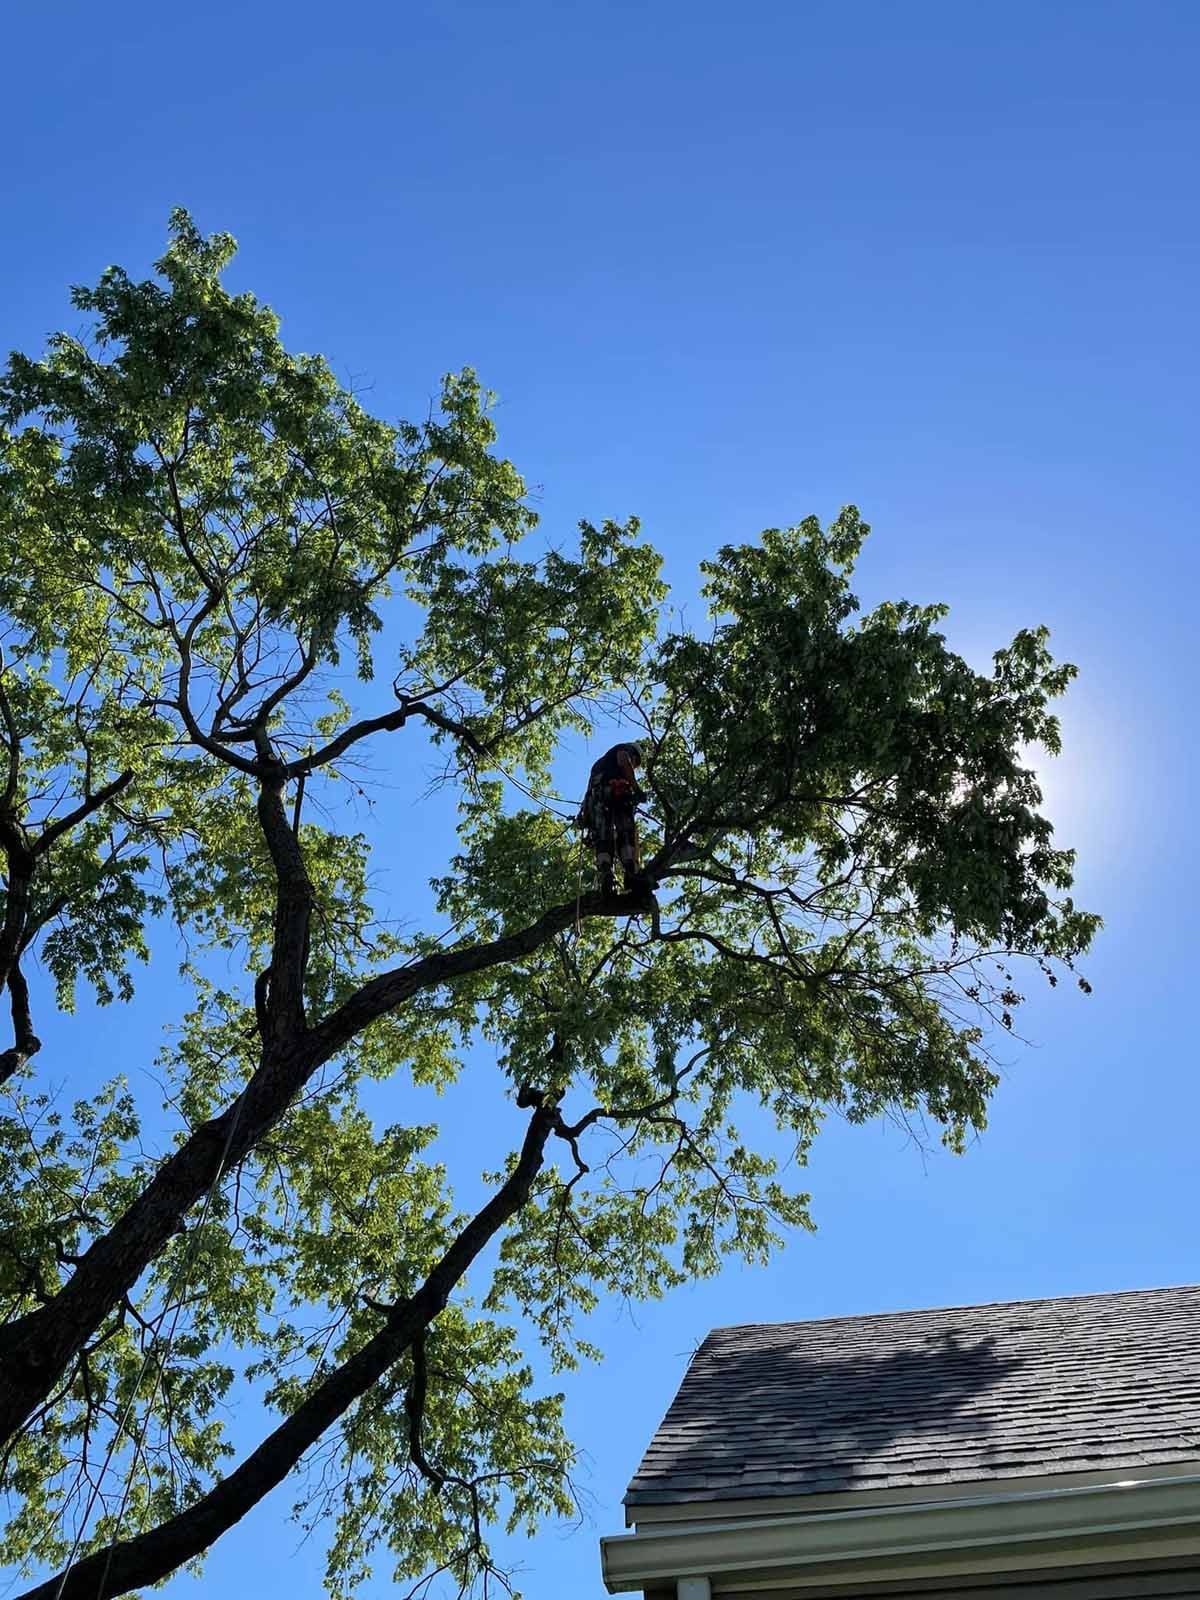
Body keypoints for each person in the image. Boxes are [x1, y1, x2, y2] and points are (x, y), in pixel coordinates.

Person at [579, 740, 646, 894]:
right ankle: (631, 873)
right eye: (635, 765)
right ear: (635, 756)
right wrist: (636, 789)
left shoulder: (598, 766)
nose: (633, 768)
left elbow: (588, 796)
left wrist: (586, 818)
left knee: (603, 835)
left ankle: (606, 874)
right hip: (616, 795)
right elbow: (624, 759)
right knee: (626, 833)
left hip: (597, 799)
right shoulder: (625, 749)